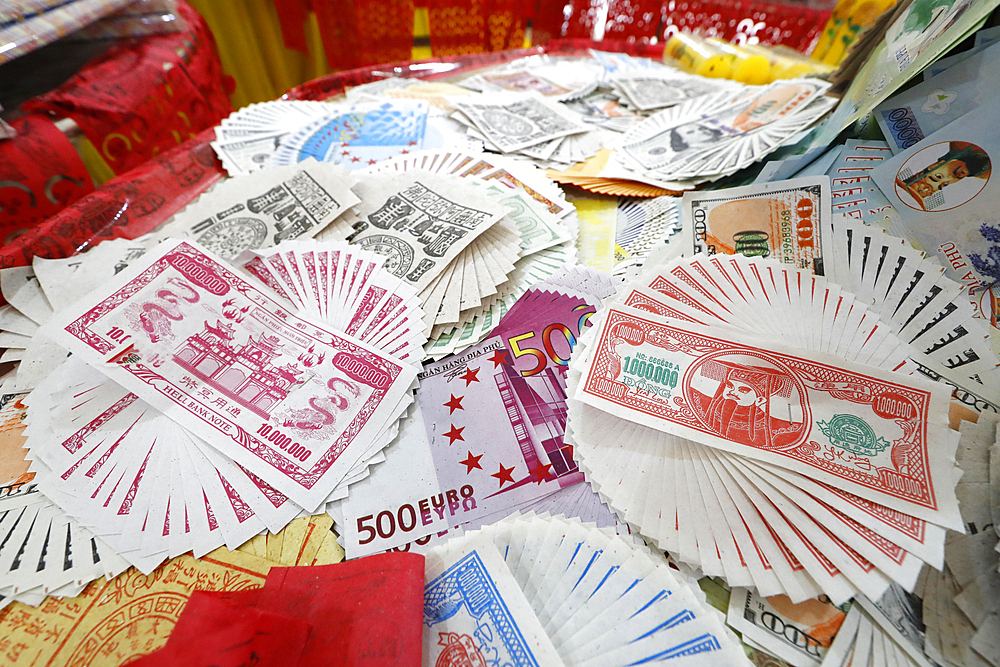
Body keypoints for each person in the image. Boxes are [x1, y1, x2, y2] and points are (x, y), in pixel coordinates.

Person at [693, 361, 804, 449]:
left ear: (760, 400)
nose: (733, 392)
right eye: (730, 386)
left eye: (744, 390)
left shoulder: (781, 429)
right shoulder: (699, 404)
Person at [899, 141, 991, 207]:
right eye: (944, 185)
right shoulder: (985, 173)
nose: (949, 179)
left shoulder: (960, 145)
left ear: (934, 165)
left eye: (937, 177)